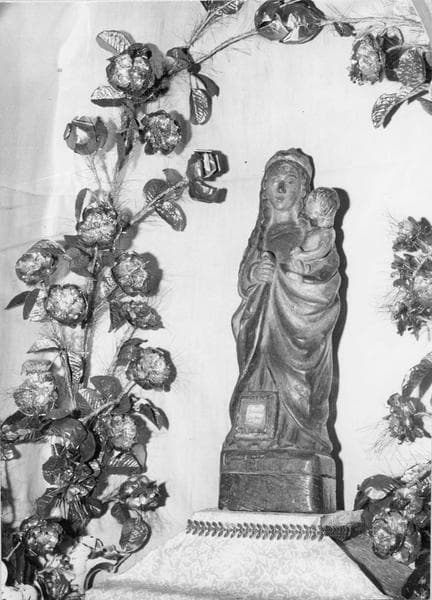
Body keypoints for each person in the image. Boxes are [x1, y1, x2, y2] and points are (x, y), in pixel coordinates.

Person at [227, 149, 341, 454]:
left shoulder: (313, 234)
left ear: (302, 191)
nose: (280, 187)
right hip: (260, 332)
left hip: (298, 330)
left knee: (299, 386)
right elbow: (245, 280)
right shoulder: (260, 237)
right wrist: (254, 274)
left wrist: (290, 273)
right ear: (264, 188)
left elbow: (326, 275)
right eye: (274, 180)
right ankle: (255, 434)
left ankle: (298, 438)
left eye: (289, 181)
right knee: (253, 356)